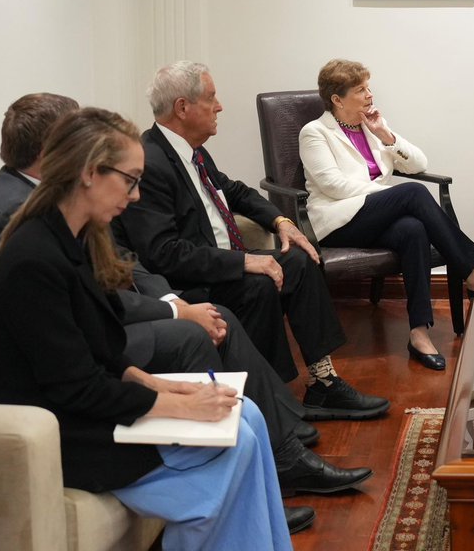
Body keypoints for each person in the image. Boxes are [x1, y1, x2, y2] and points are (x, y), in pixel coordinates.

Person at [0, 94, 371, 527]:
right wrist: (178, 399)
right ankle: (282, 454)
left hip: (85, 387)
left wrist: (169, 385)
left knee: (243, 407)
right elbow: (75, 382)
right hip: (69, 422)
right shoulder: (28, 244)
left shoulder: (74, 229)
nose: (135, 195)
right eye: (129, 181)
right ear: (83, 167)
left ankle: (290, 426)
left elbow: (105, 332)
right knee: (219, 387)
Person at [116, 61, 390, 422]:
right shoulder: (151, 161)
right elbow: (163, 254)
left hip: (220, 261)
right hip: (184, 284)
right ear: (183, 108)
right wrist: (245, 262)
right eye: (211, 98)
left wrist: (281, 221)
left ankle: (324, 383)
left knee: (299, 261)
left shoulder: (189, 150)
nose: (220, 106)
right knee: (260, 284)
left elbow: (233, 191)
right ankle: (271, 404)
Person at [298, 59, 474, 370]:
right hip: (337, 221)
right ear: (337, 98)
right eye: (361, 90)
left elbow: (418, 164)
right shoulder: (315, 133)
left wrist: (386, 134)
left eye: (368, 87)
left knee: (413, 228)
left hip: (371, 217)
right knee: (411, 193)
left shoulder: (369, 127)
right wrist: (390, 196)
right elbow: (332, 185)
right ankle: (473, 273)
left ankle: (419, 333)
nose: (370, 95)